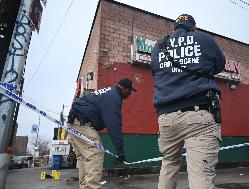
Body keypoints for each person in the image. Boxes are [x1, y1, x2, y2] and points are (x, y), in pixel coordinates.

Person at [150, 14, 226, 189]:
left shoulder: (158, 47)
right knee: (201, 176)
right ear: (193, 28)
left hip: (166, 119)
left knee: (168, 165)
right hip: (199, 115)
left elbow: (157, 74)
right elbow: (220, 65)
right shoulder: (204, 39)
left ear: (175, 27)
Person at [67, 78, 136, 189]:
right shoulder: (114, 97)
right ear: (123, 88)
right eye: (129, 90)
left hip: (74, 123)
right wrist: (120, 151)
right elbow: (114, 125)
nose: (130, 93)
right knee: (95, 154)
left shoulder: (108, 93)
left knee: (84, 157)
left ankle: (85, 186)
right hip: (81, 123)